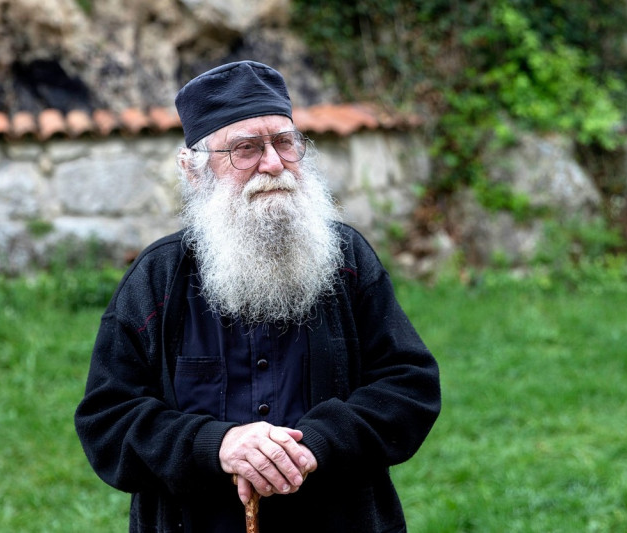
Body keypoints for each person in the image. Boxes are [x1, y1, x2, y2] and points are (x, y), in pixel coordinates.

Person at [74, 60, 441, 533]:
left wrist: (315, 443)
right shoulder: (157, 280)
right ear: (194, 170)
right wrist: (216, 445)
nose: (273, 164)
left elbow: (409, 386)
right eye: (245, 149)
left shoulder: (347, 260)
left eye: (284, 143)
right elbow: (108, 421)